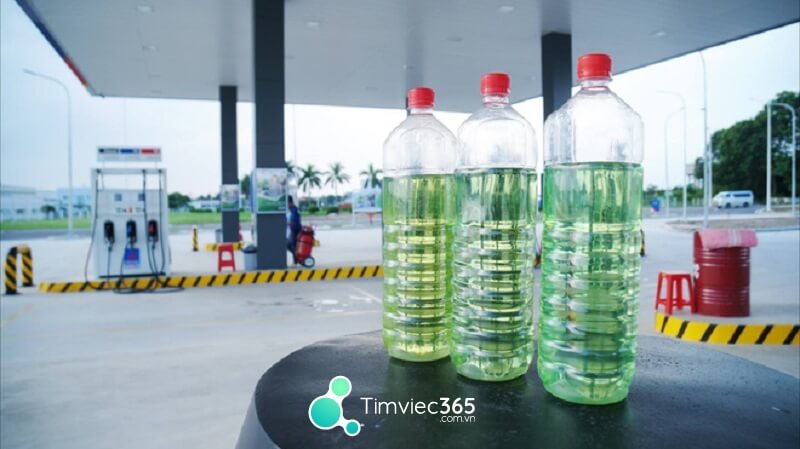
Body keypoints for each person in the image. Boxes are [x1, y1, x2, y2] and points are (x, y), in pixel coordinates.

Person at [286, 196, 302, 265]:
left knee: (292, 246)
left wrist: (288, 222)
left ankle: (295, 261)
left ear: (290, 202)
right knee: (289, 245)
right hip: (293, 230)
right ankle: (296, 260)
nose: (286, 205)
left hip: (295, 230)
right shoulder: (292, 210)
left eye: (287, 203)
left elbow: (294, 221)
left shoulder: (294, 210)